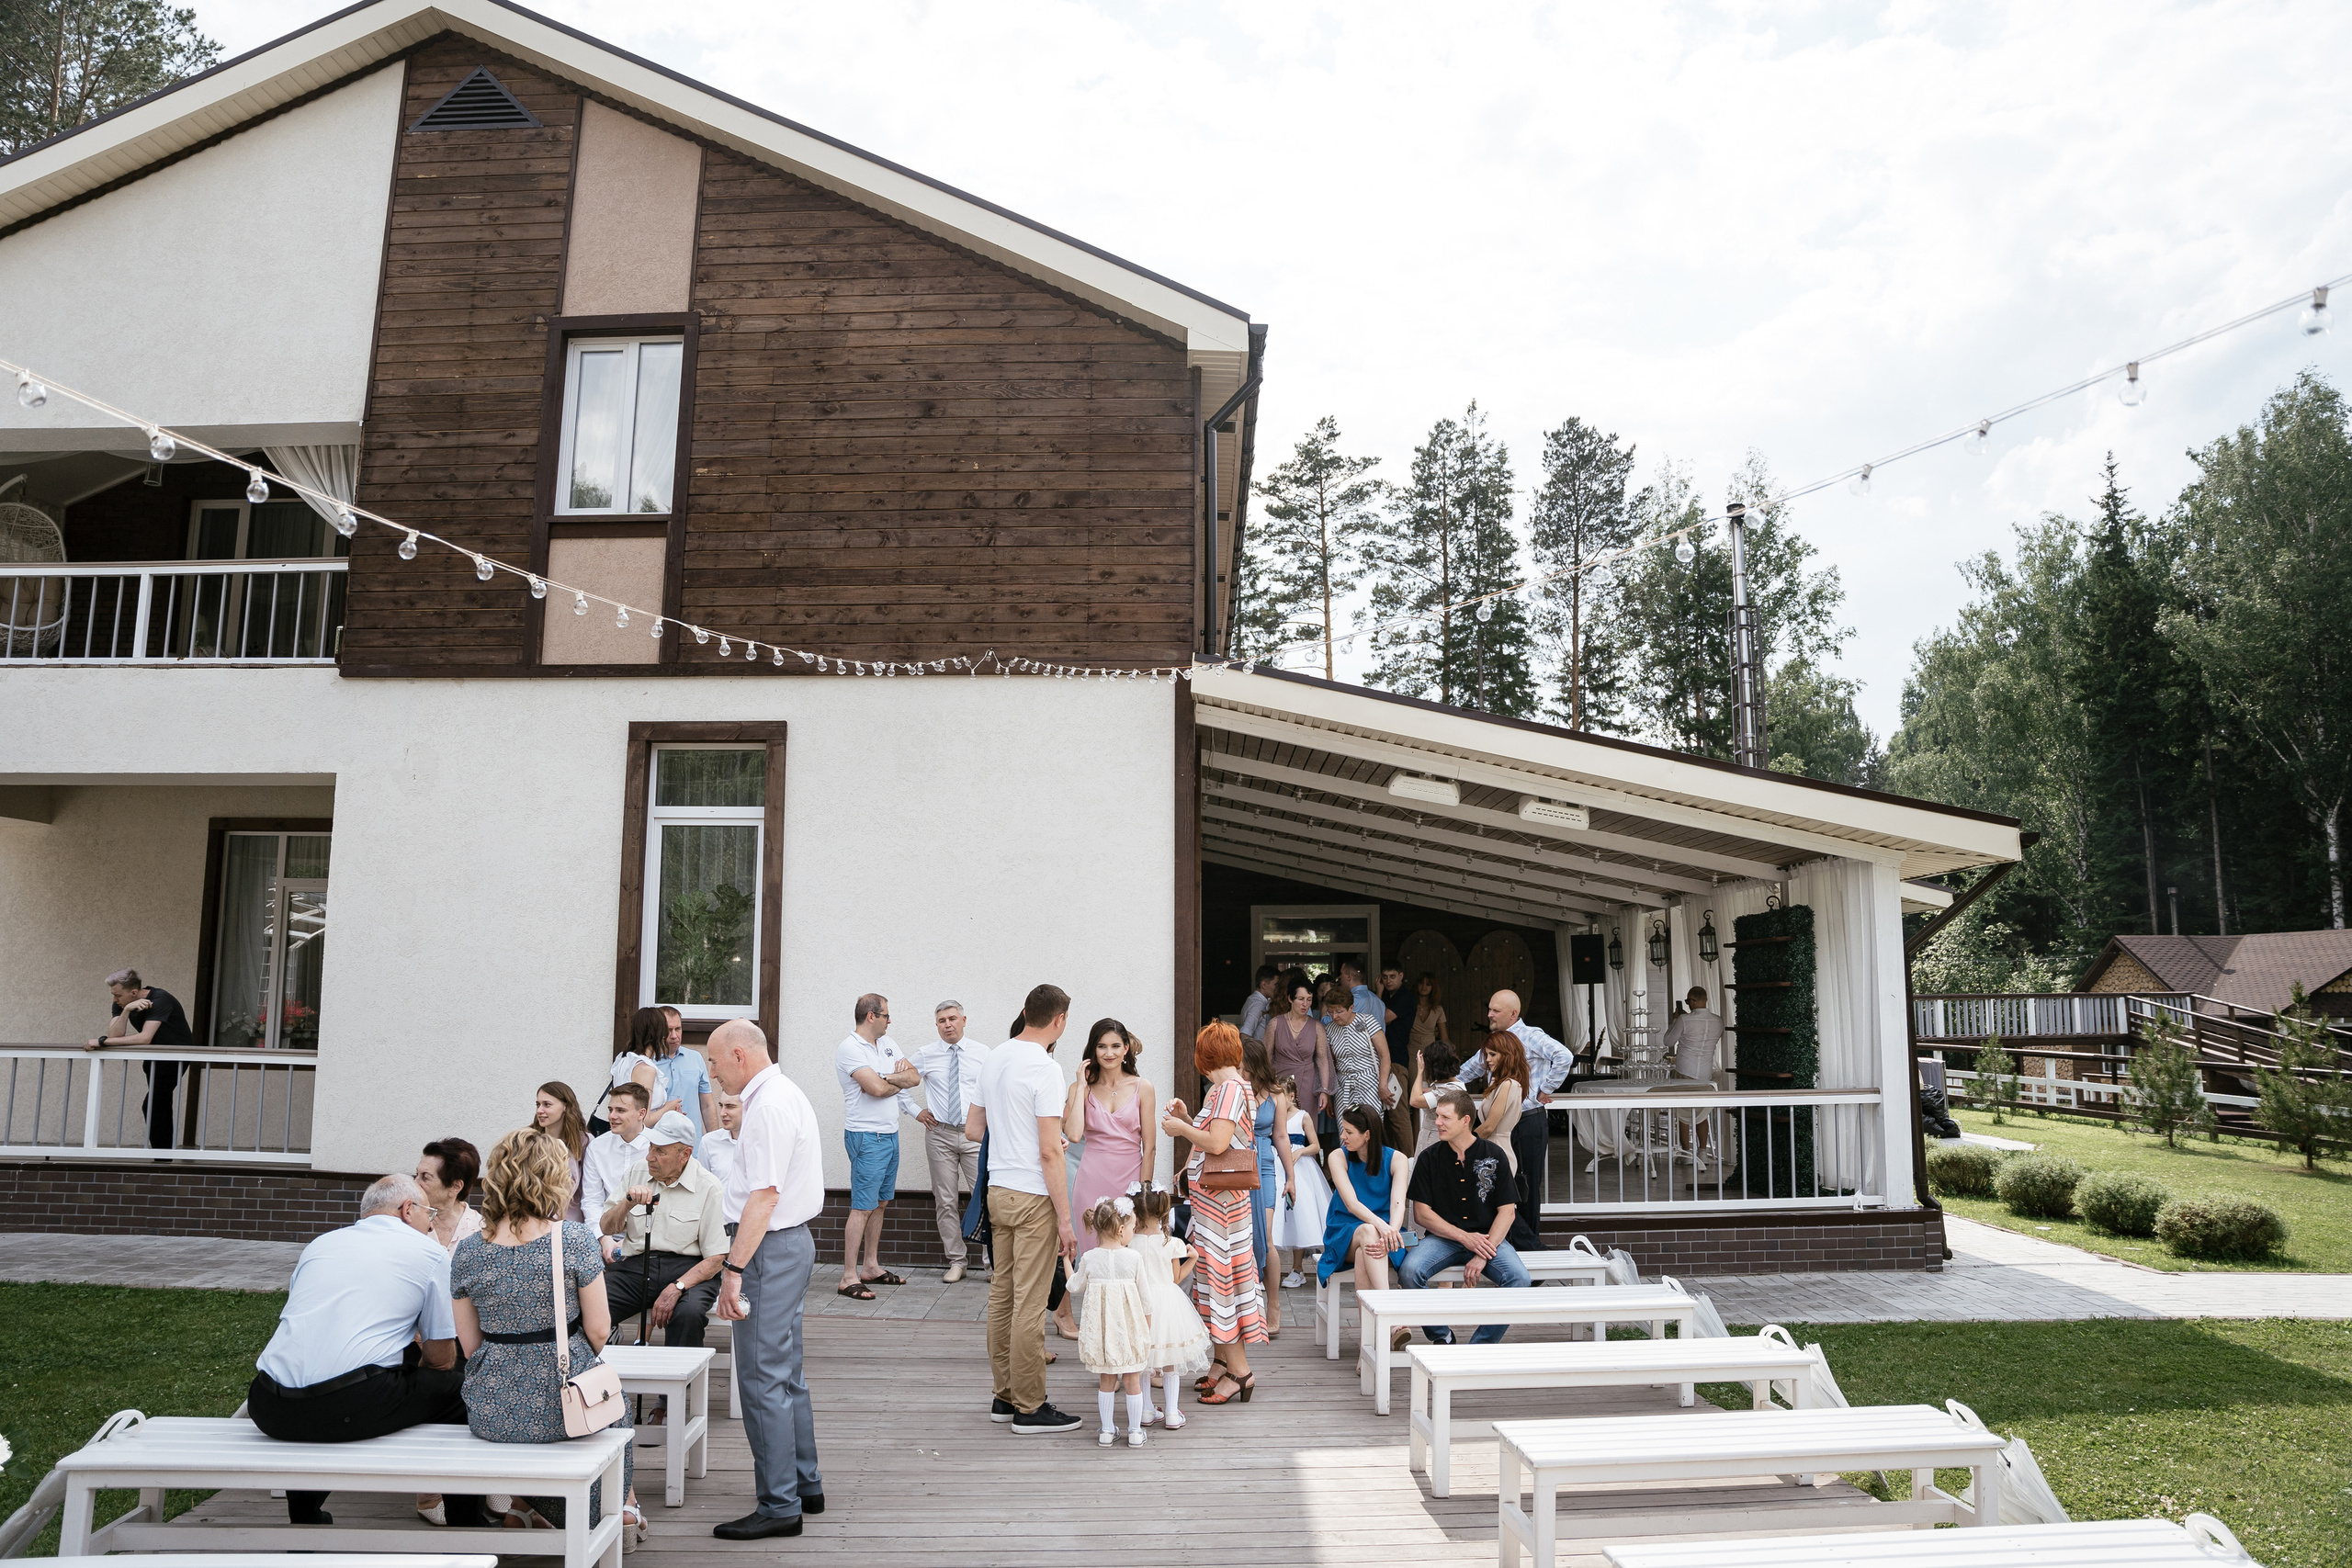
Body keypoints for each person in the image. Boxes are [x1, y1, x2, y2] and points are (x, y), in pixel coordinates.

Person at [247, 1173, 488, 1529]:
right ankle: (467, 1528)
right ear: (408, 1210)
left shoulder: (321, 1244)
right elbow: (440, 1356)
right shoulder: (429, 1253)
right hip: (348, 1403)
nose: (430, 1224)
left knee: (356, 1379)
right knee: (464, 1393)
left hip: (269, 1403)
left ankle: (306, 1516)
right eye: (429, 1214)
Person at [449, 1131, 640, 1540]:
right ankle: (612, 1508)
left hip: (493, 1411)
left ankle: (525, 1505)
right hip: (567, 1407)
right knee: (615, 1409)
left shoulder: (467, 1250)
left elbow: (469, 1346)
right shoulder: (572, 1240)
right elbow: (600, 1330)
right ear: (555, 1178)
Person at [708, 1017, 827, 1538]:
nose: (709, 1073)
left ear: (738, 1055)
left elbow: (764, 1195)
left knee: (760, 1380)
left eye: (712, 1061)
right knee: (784, 1373)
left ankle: (780, 1507)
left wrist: (732, 1270)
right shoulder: (779, 1095)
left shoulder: (770, 1105)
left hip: (767, 1249)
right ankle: (804, 1485)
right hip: (783, 1244)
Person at [967, 984, 1084, 1434]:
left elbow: (975, 1129)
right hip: (1034, 1195)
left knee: (1002, 1296)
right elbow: (1051, 1153)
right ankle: (1030, 1407)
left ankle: (1004, 1396)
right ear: (1059, 1021)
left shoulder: (995, 1056)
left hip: (998, 1189)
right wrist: (1066, 1219)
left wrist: (1016, 1137)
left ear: (1024, 1013)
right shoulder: (1046, 1068)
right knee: (1030, 1305)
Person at [1160, 1021, 1265, 1405]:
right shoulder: (1235, 1089)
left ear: (1205, 1057)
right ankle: (1221, 1365)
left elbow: (1218, 1143)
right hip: (1222, 1206)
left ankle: (1240, 1373)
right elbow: (1219, 1139)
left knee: (1222, 1287)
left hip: (1220, 1212)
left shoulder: (1226, 1090)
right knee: (1220, 1283)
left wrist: (1180, 1130)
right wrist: (1189, 1120)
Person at [1399, 1091, 1532, 1345]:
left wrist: (1482, 1252)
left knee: (1519, 1279)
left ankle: (1478, 1346)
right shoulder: (1429, 1158)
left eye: (1445, 1117)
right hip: (1442, 1240)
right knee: (1410, 1271)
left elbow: (1508, 1211)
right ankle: (1441, 1335)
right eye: (1437, 1116)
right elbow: (1422, 1214)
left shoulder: (1494, 1154)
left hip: (1488, 1240)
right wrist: (1464, 1238)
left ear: (1465, 1120)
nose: (1437, 1122)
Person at [598, 1111, 729, 1352]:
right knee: (587, 1306)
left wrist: (677, 1287)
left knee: (687, 1315)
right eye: (650, 1147)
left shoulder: (708, 1187)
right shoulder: (637, 1172)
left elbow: (717, 1257)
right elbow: (606, 1226)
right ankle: (590, 1379)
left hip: (689, 1272)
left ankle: (675, 1387)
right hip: (635, 1268)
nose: (650, 1157)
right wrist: (627, 1203)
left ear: (685, 1155)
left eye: (660, 1150)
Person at [834, 993, 919, 1300]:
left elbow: (915, 1076)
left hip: (889, 1134)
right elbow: (878, 1089)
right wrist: (891, 1080)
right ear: (871, 1016)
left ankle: (870, 1266)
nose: (889, 1020)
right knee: (862, 1207)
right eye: (886, 1015)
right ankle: (848, 1276)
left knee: (880, 1204)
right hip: (867, 1137)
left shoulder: (887, 1043)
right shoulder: (849, 1048)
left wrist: (886, 1078)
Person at [1469, 989, 1574, 1222]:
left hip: (1528, 1120)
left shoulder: (1531, 1036)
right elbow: (1471, 1069)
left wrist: (1546, 1089)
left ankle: (1530, 1244)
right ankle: (1513, 1242)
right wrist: (1441, 1088)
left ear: (1513, 1014)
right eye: (1490, 1009)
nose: (1489, 1015)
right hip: (1501, 1125)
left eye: (1495, 1010)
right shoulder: (1496, 1042)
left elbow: (1564, 1056)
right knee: (1501, 1184)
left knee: (1527, 1184)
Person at [905, 1001, 989, 1281]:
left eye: (952, 1018)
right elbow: (897, 1082)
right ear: (937, 1025)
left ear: (964, 1020)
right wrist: (916, 1111)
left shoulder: (983, 1054)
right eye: (941, 1020)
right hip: (940, 1135)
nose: (947, 1024)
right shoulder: (926, 1055)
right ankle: (957, 1261)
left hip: (974, 1135)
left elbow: (994, 1091)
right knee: (946, 1200)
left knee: (986, 1197)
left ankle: (994, 1264)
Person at [1065, 1196, 1153, 1447]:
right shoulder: (1134, 1258)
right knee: (1132, 1379)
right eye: (1133, 1228)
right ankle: (1135, 1432)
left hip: (1102, 1335)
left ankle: (1106, 1430)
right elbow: (1146, 1301)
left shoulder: (1090, 1258)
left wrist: (1065, 1261)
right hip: (1130, 1332)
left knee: (1107, 1380)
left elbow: (1073, 1286)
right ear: (1121, 1229)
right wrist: (1146, 1330)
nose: (1134, 1232)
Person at [1319, 1106, 1410, 1349]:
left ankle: (1366, 1348)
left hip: (1384, 1235)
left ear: (1367, 1134)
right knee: (1367, 1233)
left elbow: (1398, 1203)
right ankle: (1390, 1317)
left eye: (1349, 1131)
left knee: (1365, 1253)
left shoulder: (1397, 1159)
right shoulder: (1337, 1157)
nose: (1342, 1136)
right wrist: (1384, 1229)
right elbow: (1351, 1203)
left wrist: (1392, 1230)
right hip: (1345, 1231)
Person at [1065, 1018, 1155, 1259]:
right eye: (1102, 1046)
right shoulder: (1080, 1088)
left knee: (1129, 1257)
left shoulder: (1142, 1087)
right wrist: (1082, 1086)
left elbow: (1151, 1148)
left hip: (1130, 1182)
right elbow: (1073, 1134)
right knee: (1093, 1257)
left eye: (1115, 1046)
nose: (1109, 1053)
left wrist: (1144, 1195)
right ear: (1093, 1050)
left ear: (1126, 1048)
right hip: (1090, 1181)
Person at [83, 968, 194, 1152]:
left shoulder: (160, 1000)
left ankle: (163, 1155)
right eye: (113, 995)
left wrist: (102, 1042)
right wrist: (126, 1010)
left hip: (175, 1056)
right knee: (159, 1102)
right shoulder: (121, 1003)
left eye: (118, 995)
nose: (114, 1000)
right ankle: (163, 1154)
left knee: (154, 1102)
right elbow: (115, 1035)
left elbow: (144, 1038)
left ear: (134, 992)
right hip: (152, 1058)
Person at [1126, 1184, 1208, 1428]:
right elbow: (1175, 1278)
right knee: (1170, 1359)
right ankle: (1172, 1412)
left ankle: (1146, 1411)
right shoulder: (1171, 1242)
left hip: (1140, 1304)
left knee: (1142, 1360)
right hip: (1168, 1303)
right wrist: (1192, 1259)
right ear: (1163, 1212)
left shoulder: (1129, 1243)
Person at [1239, 1036, 1283, 1335]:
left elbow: (1280, 1136)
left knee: (1265, 1237)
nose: (1237, 1068)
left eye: (1242, 1064)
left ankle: (1274, 1303)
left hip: (1265, 1167)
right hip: (1237, 1168)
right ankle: (1246, 1305)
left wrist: (1291, 1178)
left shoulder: (1276, 1094)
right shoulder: (1230, 1090)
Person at [1268, 1077, 1330, 1289]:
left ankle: (1297, 1268)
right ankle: (1267, 1267)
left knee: (1299, 1215)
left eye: (1279, 1096)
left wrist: (1301, 1150)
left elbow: (1315, 1145)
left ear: (1291, 1097)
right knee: (1273, 1214)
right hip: (1274, 1166)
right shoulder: (1271, 1116)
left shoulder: (1302, 1117)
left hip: (1299, 1169)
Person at [580, 1081, 652, 1254]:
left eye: (620, 1110)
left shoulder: (657, 1147)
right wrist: (605, 1240)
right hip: (604, 1234)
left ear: (641, 1113)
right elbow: (592, 1200)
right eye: (610, 1110)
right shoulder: (597, 1147)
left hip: (648, 1238)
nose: (612, 1116)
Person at [1265, 980, 1333, 1139]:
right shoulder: (1275, 1023)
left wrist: (1324, 1090)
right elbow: (1266, 1057)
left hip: (1308, 1083)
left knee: (1306, 1128)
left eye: (1309, 999)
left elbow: (1322, 1060)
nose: (1305, 1004)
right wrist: (1265, 1085)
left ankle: (1307, 1162)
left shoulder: (1317, 1027)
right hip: (1278, 1082)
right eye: (1301, 999)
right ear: (1290, 998)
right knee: (1278, 1126)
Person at [1322, 981, 1386, 1118]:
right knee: (1345, 1128)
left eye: (1339, 1012)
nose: (1334, 1016)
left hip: (1370, 1083)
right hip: (1343, 1085)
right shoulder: (1329, 1029)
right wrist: (1327, 1093)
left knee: (1370, 1127)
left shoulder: (1368, 1021)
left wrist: (1383, 1085)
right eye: (1331, 1012)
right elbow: (1329, 1063)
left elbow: (1384, 1056)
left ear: (1351, 1007)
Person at [654, 1005, 718, 1141]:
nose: (674, 1036)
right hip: (657, 1144)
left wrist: (714, 1142)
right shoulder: (646, 1064)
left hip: (692, 1145)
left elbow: (707, 1106)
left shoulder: (695, 1058)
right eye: (668, 1030)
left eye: (678, 1029)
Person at [1475, 1032, 1531, 1174]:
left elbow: (1489, 1127)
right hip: (1491, 1151)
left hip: (1497, 1154)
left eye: (1493, 1054)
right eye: (1487, 1055)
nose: (1488, 1059)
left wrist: (1463, 1142)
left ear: (1508, 1055)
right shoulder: (1501, 1083)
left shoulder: (1509, 1084)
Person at [534, 1082, 589, 1223]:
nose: (540, 1110)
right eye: (538, 1104)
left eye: (547, 1104)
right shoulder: (530, 1140)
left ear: (565, 1106)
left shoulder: (584, 1142)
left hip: (571, 1223)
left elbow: (589, 1188)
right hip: (536, 1220)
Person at [415, 1138, 483, 1252]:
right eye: (416, 1174)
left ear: (455, 1187)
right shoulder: (408, 1221)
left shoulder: (480, 1230)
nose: (415, 1183)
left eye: (425, 1177)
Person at [608, 1010, 668, 1124]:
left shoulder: (624, 1060)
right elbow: (643, 1120)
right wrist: (669, 1108)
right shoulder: (645, 1068)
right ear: (659, 1033)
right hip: (642, 1138)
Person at [1409, 1041, 1467, 1156]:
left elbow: (1414, 1101)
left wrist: (1420, 1071)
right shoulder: (1450, 1086)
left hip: (1436, 1138)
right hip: (1433, 1136)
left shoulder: (1447, 1090)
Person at [1664, 986, 1725, 1083]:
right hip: (1706, 1075)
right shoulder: (1719, 1021)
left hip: (1684, 1072)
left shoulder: (1684, 1019)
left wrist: (1675, 1020)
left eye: (1687, 1002)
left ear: (1691, 1001)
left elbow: (1668, 1042)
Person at [697, 1092, 742, 1184]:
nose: (722, 1113)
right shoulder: (709, 1142)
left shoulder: (765, 1141)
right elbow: (702, 1185)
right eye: (721, 1106)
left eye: (730, 1106)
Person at [1237, 964, 1281, 1044]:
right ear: (1263, 985)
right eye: (1276, 984)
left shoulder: (1252, 999)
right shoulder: (1258, 1004)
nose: (1278, 988)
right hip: (1258, 1054)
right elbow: (1245, 1033)